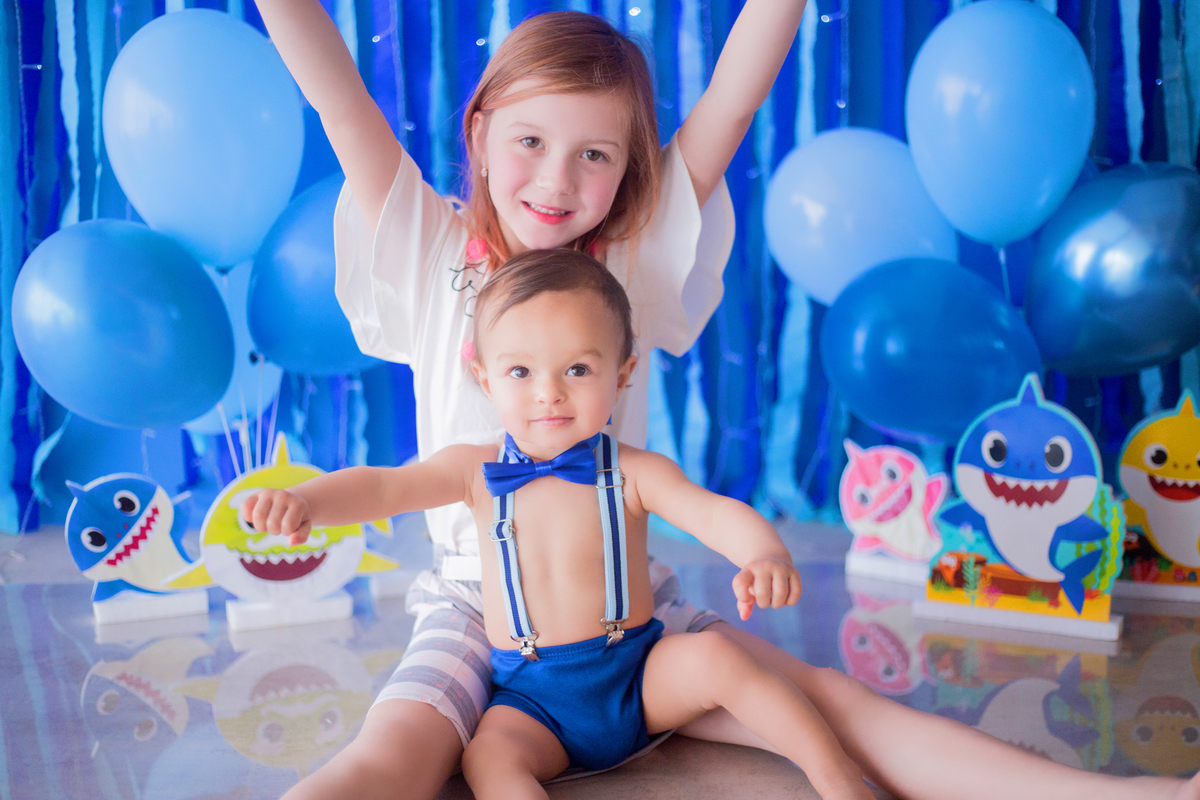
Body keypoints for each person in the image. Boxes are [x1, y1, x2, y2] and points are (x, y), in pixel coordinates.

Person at [252, 4, 1200, 800]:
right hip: (471, 604)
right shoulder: (427, 246)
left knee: (828, 700)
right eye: (530, 141)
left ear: (631, 171)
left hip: (619, 607)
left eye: (595, 155)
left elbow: (735, 99)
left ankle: (1114, 795)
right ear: (480, 132)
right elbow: (337, 90)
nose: (555, 179)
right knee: (396, 754)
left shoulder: (627, 259)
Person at [247, 250, 874, 800]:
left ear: (623, 373)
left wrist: (764, 554)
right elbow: (386, 485)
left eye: (576, 370)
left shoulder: (631, 471)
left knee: (716, 655)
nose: (548, 393)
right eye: (521, 372)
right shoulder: (474, 469)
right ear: (484, 378)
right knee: (488, 757)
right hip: (533, 696)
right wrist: (308, 502)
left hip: (634, 671)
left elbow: (709, 511)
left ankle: (833, 772)